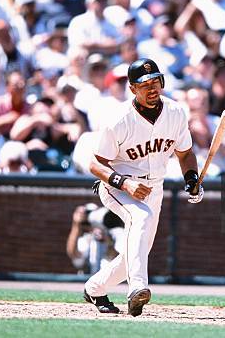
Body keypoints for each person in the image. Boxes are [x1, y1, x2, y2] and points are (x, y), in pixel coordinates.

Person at [84, 58, 203, 316]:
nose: (152, 88)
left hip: (154, 187)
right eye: (144, 84)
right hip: (116, 186)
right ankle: (137, 288)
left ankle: (94, 288)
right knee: (140, 218)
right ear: (132, 89)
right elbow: (95, 163)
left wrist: (191, 179)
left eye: (155, 82)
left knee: (136, 251)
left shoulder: (175, 112)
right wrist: (124, 183)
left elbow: (185, 153)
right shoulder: (118, 119)